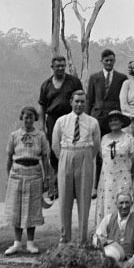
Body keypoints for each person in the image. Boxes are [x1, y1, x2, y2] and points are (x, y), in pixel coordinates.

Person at [52, 90, 101, 245]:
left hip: (85, 156)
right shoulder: (61, 121)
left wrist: (85, 156)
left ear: (86, 103)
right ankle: (65, 237)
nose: (79, 104)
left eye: (82, 102)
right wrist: (65, 158)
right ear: (71, 102)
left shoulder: (93, 122)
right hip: (66, 155)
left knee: (84, 198)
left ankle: (82, 238)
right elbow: (55, 144)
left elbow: (96, 145)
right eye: (77, 101)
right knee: (65, 199)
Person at [3, 106, 52, 255]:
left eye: (31, 117)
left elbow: (45, 158)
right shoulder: (14, 135)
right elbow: (9, 157)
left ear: (35, 119)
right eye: (26, 117)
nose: (28, 120)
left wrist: (46, 179)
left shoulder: (40, 136)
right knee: (16, 208)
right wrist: (8, 177)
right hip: (17, 172)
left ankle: (30, 243)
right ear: (22, 118)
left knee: (32, 208)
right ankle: (17, 243)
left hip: (34, 173)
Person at [38, 56, 83, 195]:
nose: (60, 68)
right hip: (52, 120)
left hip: (70, 119)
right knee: (53, 152)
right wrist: (42, 126)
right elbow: (42, 107)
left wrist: (81, 119)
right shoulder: (46, 85)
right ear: (52, 67)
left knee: (72, 149)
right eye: (57, 66)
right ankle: (55, 186)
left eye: (63, 66)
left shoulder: (73, 82)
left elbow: (81, 100)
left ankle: (74, 187)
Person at [87, 49, 127, 189]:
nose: (109, 63)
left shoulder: (121, 78)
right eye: (106, 60)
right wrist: (87, 119)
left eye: (111, 60)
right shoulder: (94, 77)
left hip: (114, 118)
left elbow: (123, 99)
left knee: (115, 148)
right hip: (98, 118)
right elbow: (89, 99)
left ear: (114, 60)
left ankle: (115, 181)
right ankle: (98, 184)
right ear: (102, 61)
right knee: (100, 150)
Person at [94, 110, 134, 226]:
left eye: (116, 120)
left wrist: (131, 175)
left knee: (123, 203)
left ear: (122, 122)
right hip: (107, 179)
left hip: (123, 178)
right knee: (107, 203)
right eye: (111, 120)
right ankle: (106, 232)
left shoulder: (128, 138)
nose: (114, 122)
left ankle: (124, 233)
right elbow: (101, 158)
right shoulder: (104, 139)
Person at [93, 191, 134, 268]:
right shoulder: (108, 219)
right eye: (121, 203)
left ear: (132, 204)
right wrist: (102, 241)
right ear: (116, 204)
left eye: (127, 203)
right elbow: (97, 237)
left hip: (129, 261)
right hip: (111, 260)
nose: (124, 206)